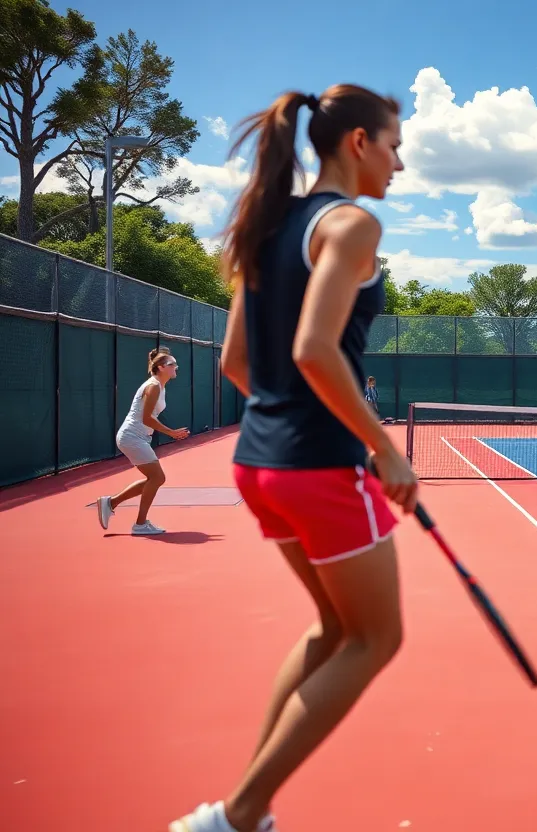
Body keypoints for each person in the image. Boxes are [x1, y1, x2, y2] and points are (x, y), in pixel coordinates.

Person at [169, 84, 418, 832]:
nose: (399, 164)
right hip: (315, 467)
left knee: (330, 630)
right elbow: (314, 350)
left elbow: (237, 363)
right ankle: (235, 816)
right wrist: (381, 449)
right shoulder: (351, 225)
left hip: (258, 464)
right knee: (378, 638)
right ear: (358, 144)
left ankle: (245, 809)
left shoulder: (267, 225)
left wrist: (289, 423)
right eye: (395, 145)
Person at [96, 348, 190, 535]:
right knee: (157, 477)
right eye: (172, 364)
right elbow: (146, 418)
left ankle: (111, 503)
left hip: (138, 437)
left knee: (154, 478)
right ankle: (140, 524)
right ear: (161, 367)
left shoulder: (160, 387)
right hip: (131, 436)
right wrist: (171, 432)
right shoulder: (153, 386)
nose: (176, 368)